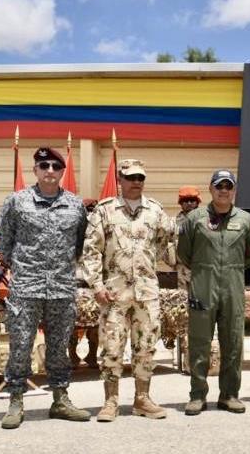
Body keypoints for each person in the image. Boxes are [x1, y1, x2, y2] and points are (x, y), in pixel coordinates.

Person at [0, 147, 90, 429]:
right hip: (26, 285)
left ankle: (60, 399)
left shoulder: (75, 205)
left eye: (55, 167)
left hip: (62, 286)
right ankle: (15, 401)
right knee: (21, 345)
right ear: (35, 170)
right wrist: (23, 269)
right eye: (44, 165)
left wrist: (61, 269)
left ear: (62, 172)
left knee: (60, 346)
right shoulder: (17, 202)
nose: (50, 170)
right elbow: (4, 240)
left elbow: (80, 243)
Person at [81, 159, 175, 422]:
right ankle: (110, 401)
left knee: (146, 346)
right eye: (131, 178)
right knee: (111, 347)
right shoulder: (104, 211)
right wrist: (97, 285)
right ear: (120, 180)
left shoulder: (155, 211)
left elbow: (163, 244)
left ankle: (142, 399)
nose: (136, 183)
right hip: (114, 294)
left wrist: (145, 268)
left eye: (140, 178)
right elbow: (90, 250)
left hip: (146, 293)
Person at [177, 169, 250, 415]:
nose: (224, 190)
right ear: (211, 189)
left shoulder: (245, 220)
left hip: (233, 283)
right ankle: (197, 395)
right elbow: (184, 252)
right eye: (219, 186)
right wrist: (206, 270)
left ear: (234, 190)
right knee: (200, 341)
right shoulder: (195, 218)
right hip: (203, 283)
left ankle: (230, 394)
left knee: (233, 341)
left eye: (228, 186)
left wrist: (230, 270)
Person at [70, 198, 100, 370]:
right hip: (76, 283)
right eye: (88, 210)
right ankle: (73, 356)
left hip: (93, 285)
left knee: (95, 323)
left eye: (93, 211)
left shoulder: (98, 232)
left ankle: (92, 355)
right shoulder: (74, 232)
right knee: (73, 323)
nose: (90, 214)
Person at [175, 186, 202, 294]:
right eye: (186, 200)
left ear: (198, 202)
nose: (189, 203)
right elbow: (166, 243)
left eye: (192, 200)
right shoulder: (174, 223)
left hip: (201, 269)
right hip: (181, 270)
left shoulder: (207, 220)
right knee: (181, 302)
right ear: (181, 203)